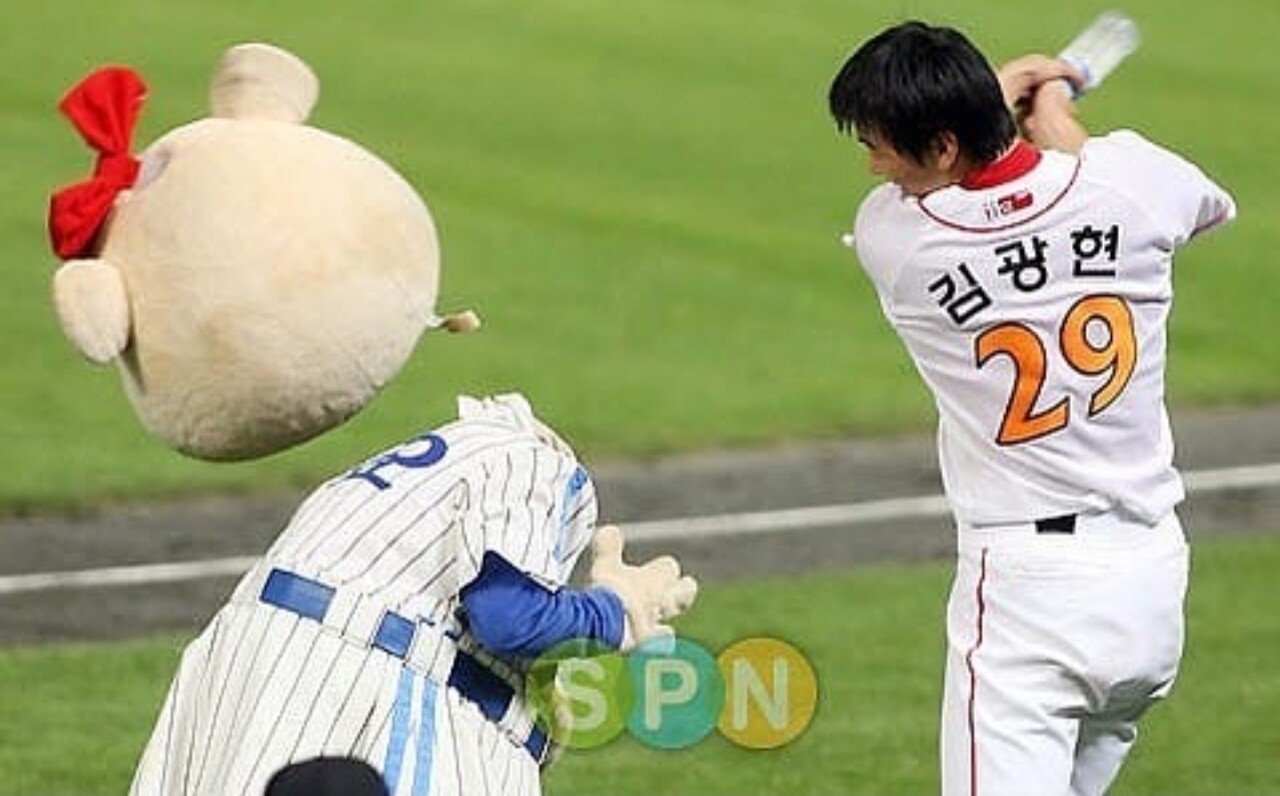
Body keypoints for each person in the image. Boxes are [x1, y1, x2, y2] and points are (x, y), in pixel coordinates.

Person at [828, 21, 1235, 796]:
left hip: (1030, 604)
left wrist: (1005, 87)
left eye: (879, 146)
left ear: (943, 147)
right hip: (1151, 588)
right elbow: (1199, 206)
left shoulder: (900, 245)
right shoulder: (1136, 183)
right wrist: (1057, 118)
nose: (874, 164)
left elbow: (962, 189)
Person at [129, 393, 697, 796]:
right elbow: (508, 614)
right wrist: (616, 611)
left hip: (247, 669)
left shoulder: (423, 468)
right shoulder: (538, 462)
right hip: (357, 685)